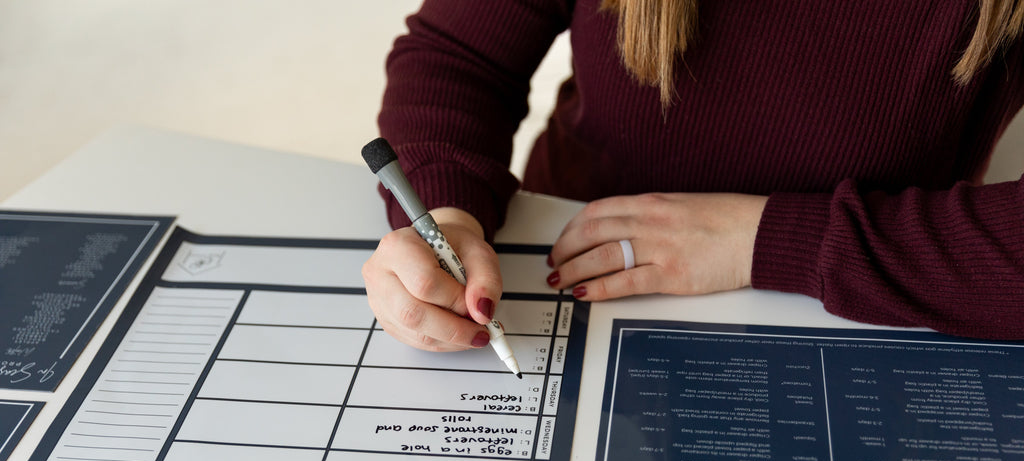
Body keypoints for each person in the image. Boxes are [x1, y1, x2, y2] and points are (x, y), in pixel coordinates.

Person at [362, 0, 1024, 349]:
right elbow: (458, 56)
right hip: (560, 261)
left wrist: (769, 238)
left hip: (862, 316)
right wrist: (446, 214)